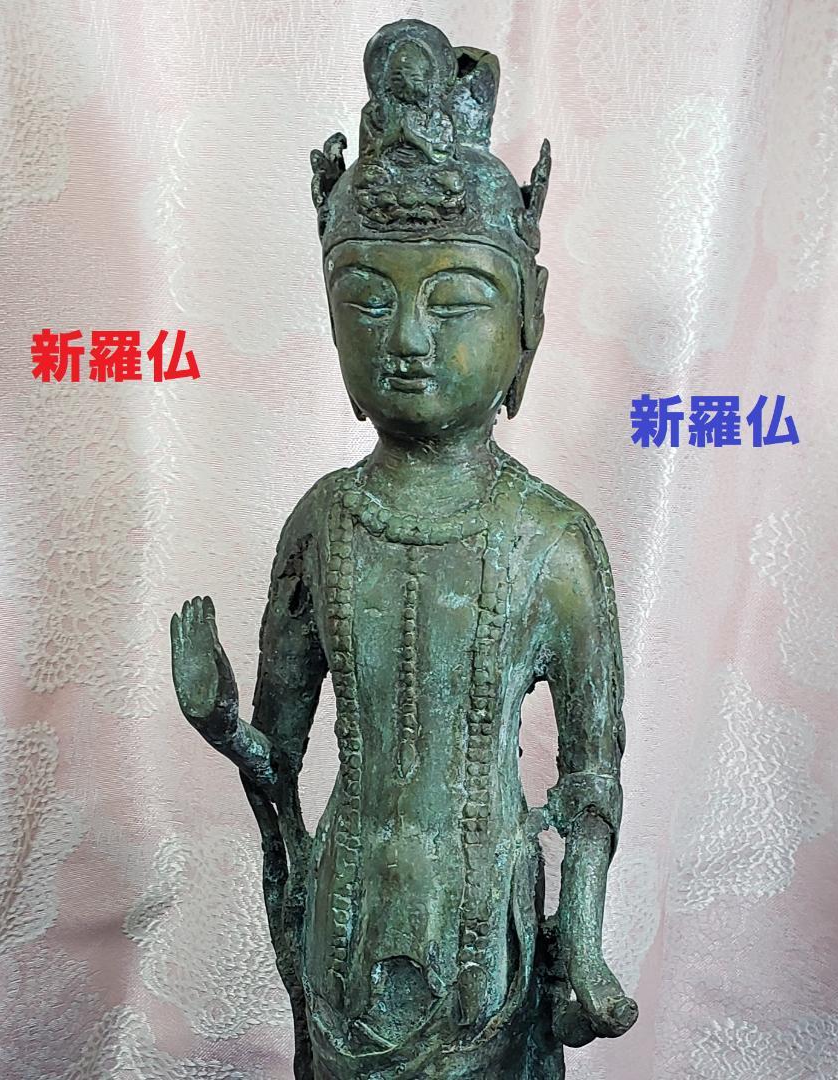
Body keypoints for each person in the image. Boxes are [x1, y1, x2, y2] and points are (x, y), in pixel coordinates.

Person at [170, 20, 636, 1079]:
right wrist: (223, 724)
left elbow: (593, 779)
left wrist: (584, 943)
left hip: (486, 940)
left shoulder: (552, 541)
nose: (409, 340)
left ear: (528, 324)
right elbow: (280, 761)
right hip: (341, 926)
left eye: (456, 301)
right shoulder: (322, 524)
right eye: (369, 301)